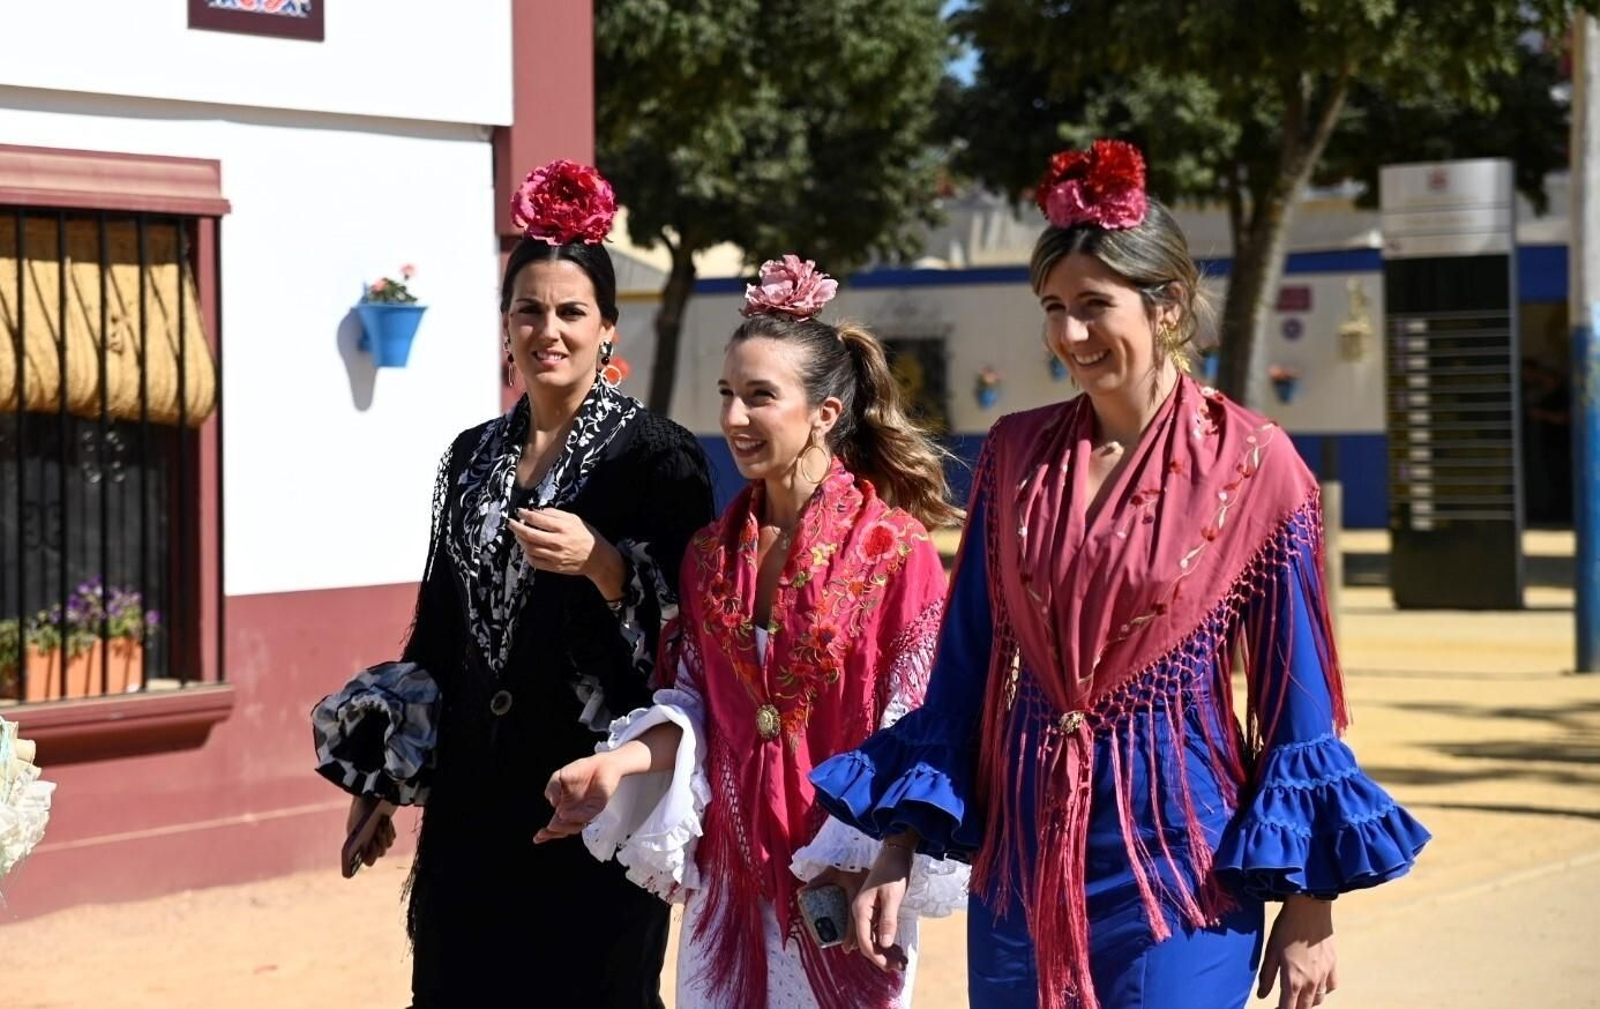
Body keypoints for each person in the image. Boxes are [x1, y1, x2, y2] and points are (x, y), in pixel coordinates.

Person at [811, 140, 1431, 1009]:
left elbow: (1294, 701)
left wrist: (1310, 901)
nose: (1068, 334)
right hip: (1022, 866)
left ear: (1167, 304)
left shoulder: (1259, 465)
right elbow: (964, 668)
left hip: (1183, 868)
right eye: (1053, 307)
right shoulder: (1015, 455)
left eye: (1093, 305)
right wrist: (899, 841)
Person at [311, 160, 713, 1008]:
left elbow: (691, 644)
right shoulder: (469, 457)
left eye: (572, 311)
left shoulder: (659, 458)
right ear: (505, 325)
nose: (549, 330)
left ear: (608, 327)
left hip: (593, 801)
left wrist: (603, 562)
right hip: (470, 802)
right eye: (529, 309)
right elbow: (438, 630)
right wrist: (388, 779)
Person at [536, 256, 969, 1009]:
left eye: (760, 396)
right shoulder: (709, 556)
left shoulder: (896, 552)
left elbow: (922, 724)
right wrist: (620, 764)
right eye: (728, 395)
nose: (734, 418)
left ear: (824, 413)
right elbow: (697, 706)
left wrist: (879, 855)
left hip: (845, 884)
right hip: (730, 890)